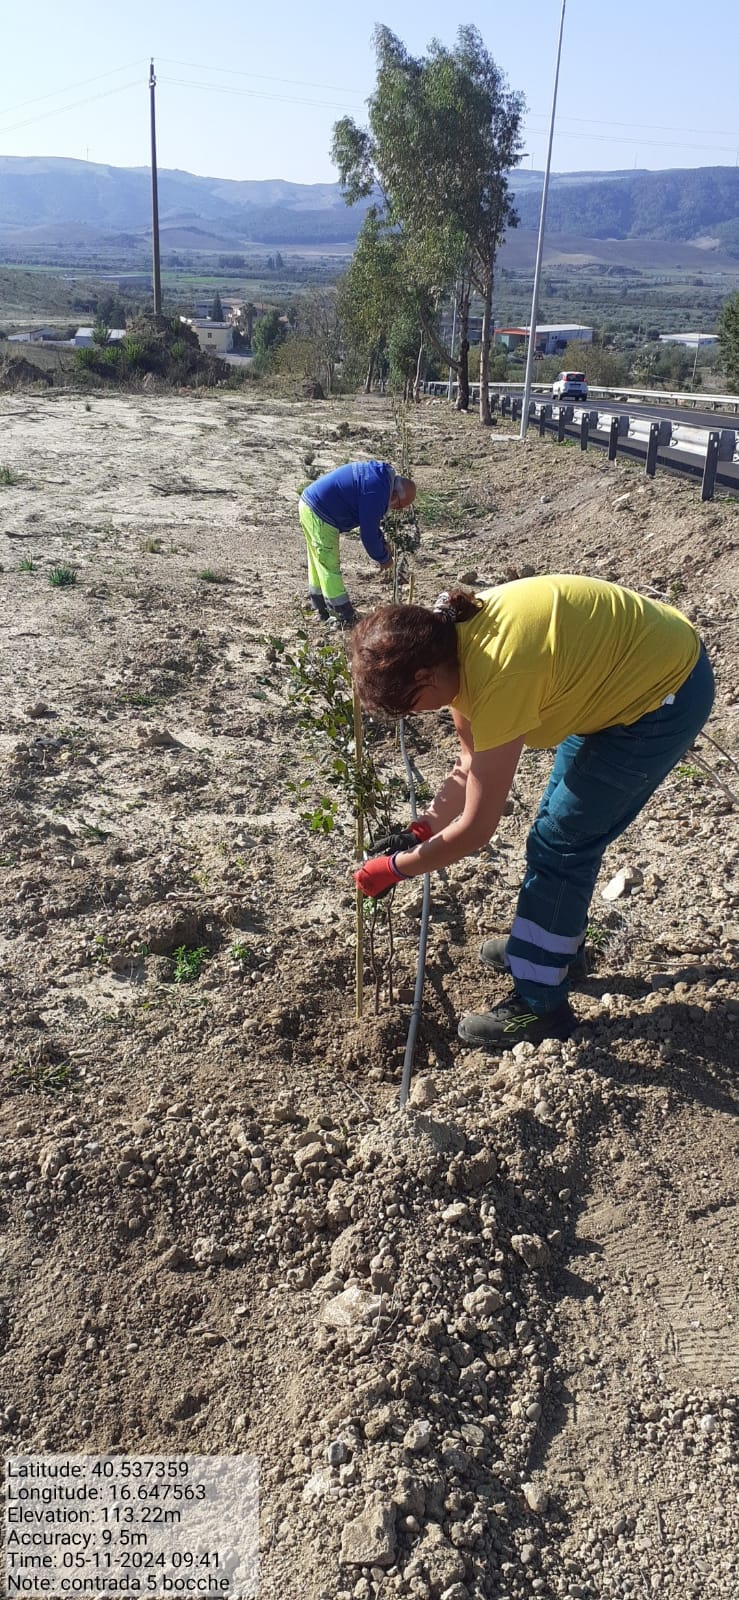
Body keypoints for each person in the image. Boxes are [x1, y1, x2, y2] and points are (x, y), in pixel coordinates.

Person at [350, 574, 714, 1050]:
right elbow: (467, 761)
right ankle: (552, 950)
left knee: (561, 843)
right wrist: (422, 829)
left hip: (661, 694)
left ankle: (540, 1006)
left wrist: (394, 869)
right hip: (613, 681)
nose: (415, 715)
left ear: (425, 676)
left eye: (410, 706)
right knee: (557, 830)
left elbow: (477, 828)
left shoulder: (500, 672)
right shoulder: (452, 643)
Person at [298, 461, 416, 627]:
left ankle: (321, 608)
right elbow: (368, 533)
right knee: (328, 565)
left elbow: (370, 522)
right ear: (395, 495)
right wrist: (383, 558)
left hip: (309, 504)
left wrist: (382, 543)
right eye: (400, 506)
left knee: (318, 562)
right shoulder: (377, 492)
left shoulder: (380, 479)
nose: (398, 510)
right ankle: (342, 617)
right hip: (320, 514)